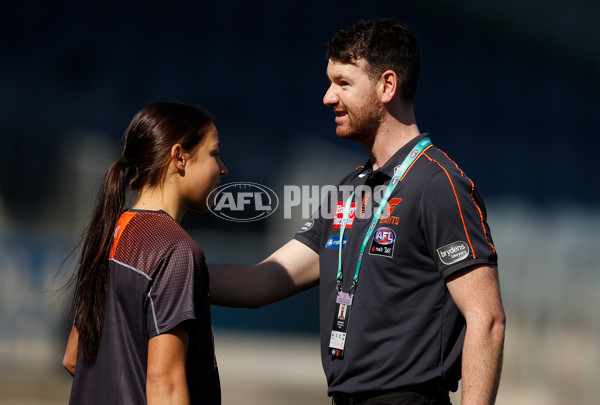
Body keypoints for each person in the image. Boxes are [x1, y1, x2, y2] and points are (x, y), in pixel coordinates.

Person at [209, 18, 505, 405]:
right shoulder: (349, 189)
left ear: (387, 85)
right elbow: (258, 282)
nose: (328, 97)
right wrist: (168, 269)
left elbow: (487, 321)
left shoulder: (438, 184)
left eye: (343, 83)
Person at [62, 102, 228, 404]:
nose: (222, 168)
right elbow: (163, 383)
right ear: (179, 157)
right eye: (214, 154)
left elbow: (74, 357)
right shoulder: (176, 251)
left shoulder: (112, 232)